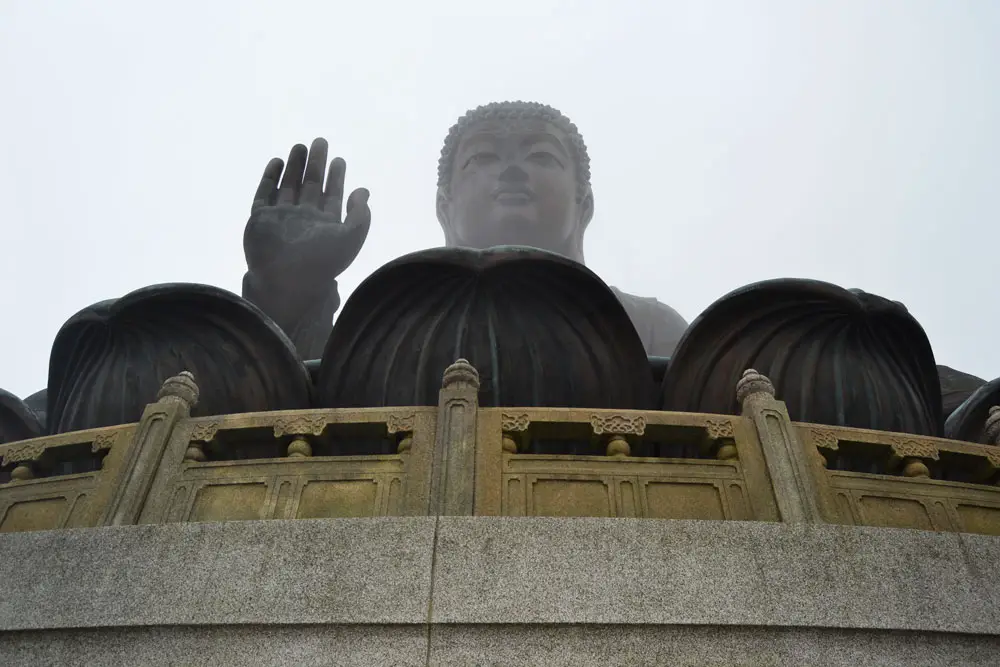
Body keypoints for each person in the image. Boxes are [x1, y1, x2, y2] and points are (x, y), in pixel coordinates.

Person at [242, 101, 688, 361]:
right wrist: (287, 297)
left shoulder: (647, 327)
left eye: (540, 156)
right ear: (444, 205)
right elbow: (299, 425)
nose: (512, 169)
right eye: (484, 158)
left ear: (584, 203)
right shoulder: (393, 331)